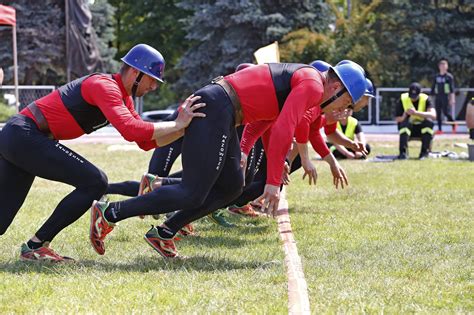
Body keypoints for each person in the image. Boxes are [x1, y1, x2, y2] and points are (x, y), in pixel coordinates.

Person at [89, 61, 368, 259]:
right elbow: (284, 127)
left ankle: (165, 231)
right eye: (346, 104)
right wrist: (271, 182)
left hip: (224, 109)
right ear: (336, 87)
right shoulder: (313, 86)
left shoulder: (311, 83)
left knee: (233, 187)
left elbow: (268, 121)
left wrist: (265, 158)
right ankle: (111, 213)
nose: (344, 111)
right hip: (217, 106)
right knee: (193, 192)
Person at [0, 44, 205, 262]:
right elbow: (130, 129)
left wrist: (183, 129)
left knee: (2, 218)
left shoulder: (124, 97)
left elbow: (144, 141)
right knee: (95, 181)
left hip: (22, 137)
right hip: (24, 135)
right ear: (135, 72)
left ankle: (35, 248)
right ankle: (36, 246)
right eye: (152, 79)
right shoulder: (103, 86)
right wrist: (176, 123)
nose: (154, 86)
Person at [395, 82, 436, 160]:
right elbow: (397, 119)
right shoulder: (403, 99)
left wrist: (416, 113)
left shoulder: (426, 99)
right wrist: (404, 116)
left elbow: (433, 115)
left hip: (422, 130)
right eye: (411, 96)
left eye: (415, 96)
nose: (413, 99)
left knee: (429, 123)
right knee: (404, 124)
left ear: (420, 93)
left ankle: (424, 153)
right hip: (408, 130)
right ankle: (403, 153)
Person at [431, 58, 456, 134]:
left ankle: (453, 124)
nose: (443, 67)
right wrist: (431, 97)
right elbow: (433, 87)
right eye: (441, 65)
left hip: (446, 96)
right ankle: (440, 129)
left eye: (444, 65)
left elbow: (452, 89)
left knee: (446, 112)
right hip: (438, 96)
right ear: (439, 67)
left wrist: (452, 99)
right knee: (438, 113)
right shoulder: (436, 76)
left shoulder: (449, 77)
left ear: (447, 67)